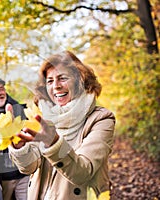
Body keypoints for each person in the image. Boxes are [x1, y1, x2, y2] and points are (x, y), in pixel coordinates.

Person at [8, 51, 116, 199]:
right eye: (50, 81)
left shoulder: (101, 119)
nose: (56, 86)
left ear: (80, 80)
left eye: (62, 78)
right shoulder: (42, 116)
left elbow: (83, 172)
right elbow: (29, 167)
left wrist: (53, 143)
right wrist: (20, 147)